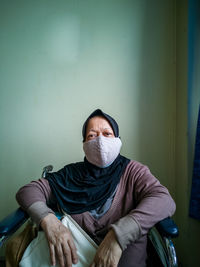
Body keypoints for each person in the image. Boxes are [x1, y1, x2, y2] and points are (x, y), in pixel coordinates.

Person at [16, 109, 176, 267]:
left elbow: (163, 200)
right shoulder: (71, 174)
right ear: (84, 144)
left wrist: (118, 235)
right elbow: (28, 191)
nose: (100, 141)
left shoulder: (133, 172)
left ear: (118, 139)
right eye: (92, 135)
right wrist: (49, 222)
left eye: (107, 134)